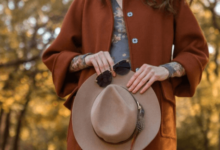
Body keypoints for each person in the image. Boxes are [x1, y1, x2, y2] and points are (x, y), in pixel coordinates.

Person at [42, 0, 209, 149]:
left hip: (152, 113)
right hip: (92, 115)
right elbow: (55, 56)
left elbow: (196, 53)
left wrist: (166, 69)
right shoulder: (85, 3)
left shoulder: (172, 2)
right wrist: (88, 59)